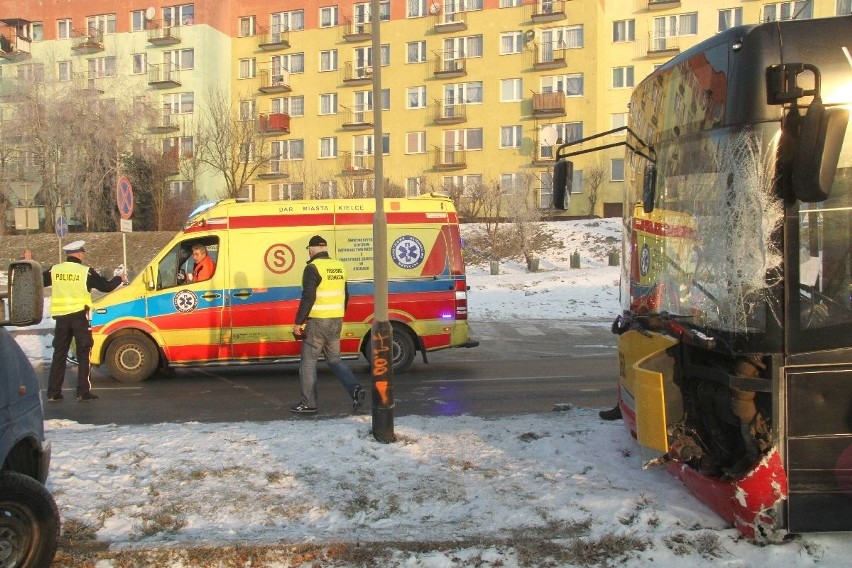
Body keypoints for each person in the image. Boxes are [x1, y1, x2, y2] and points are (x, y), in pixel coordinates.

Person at [290, 235, 365, 414]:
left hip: (317, 322)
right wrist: (339, 314)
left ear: (312, 249)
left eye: (309, 249)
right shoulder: (339, 266)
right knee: (334, 360)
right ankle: (354, 388)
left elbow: (308, 297)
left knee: (308, 364)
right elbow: (346, 295)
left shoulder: (312, 268)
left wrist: (298, 323)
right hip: (335, 320)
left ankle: (309, 404)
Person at [43, 240, 125, 402]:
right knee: (83, 353)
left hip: (61, 319)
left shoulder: (55, 270)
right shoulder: (85, 272)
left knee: (59, 354)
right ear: (80, 253)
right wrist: (119, 279)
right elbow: (105, 286)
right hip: (79, 318)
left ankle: (53, 392)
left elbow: (40, 281)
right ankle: (83, 391)